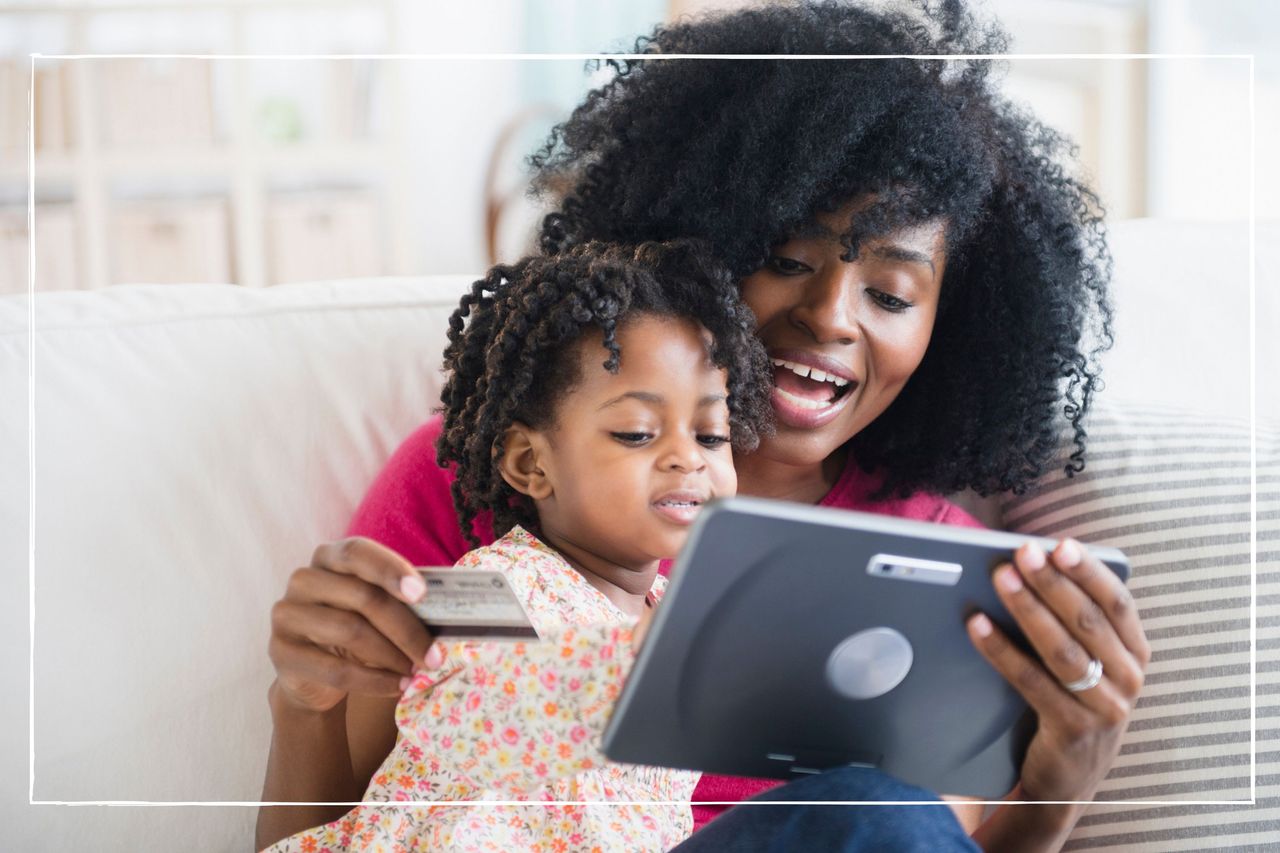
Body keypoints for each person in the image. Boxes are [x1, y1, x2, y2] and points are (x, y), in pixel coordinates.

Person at [256, 2, 1151, 850]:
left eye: (891, 293)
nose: (834, 316)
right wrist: (306, 702)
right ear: (704, 240)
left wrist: (1061, 780)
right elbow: (342, 828)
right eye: (786, 258)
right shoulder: (488, 476)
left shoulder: (935, 566)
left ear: (950, 329)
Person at [262, 240, 776, 852]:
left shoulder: (677, 614)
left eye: (711, 435)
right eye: (636, 432)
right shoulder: (493, 585)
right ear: (531, 464)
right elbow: (491, 698)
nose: (689, 458)